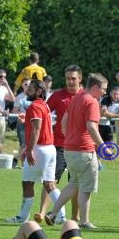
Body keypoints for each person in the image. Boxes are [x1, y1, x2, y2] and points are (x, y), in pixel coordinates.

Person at [44, 73, 109, 229]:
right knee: (86, 188)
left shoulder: (76, 98)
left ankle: (53, 213)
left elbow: (64, 122)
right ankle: (84, 221)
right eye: (103, 90)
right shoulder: (92, 102)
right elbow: (92, 127)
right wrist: (102, 146)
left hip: (69, 149)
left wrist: (70, 137)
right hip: (84, 150)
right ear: (95, 87)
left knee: (73, 184)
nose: (104, 93)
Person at [6, 80, 65, 224]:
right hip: (50, 149)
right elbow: (41, 125)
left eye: (31, 89)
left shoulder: (35, 105)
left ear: (39, 91)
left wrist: (30, 149)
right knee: (49, 185)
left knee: (27, 183)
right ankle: (61, 216)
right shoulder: (44, 105)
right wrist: (26, 119)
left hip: (40, 149)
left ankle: (22, 217)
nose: (27, 91)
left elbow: (37, 129)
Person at [36, 65, 83, 223]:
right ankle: (42, 213)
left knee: (76, 183)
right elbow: (44, 112)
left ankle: (74, 217)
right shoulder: (57, 96)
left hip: (79, 148)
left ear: (80, 79)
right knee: (50, 180)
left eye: (73, 78)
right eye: (68, 78)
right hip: (59, 145)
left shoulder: (85, 97)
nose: (70, 81)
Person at [11, 78, 32, 169]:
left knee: (32, 144)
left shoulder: (34, 96)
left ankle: (15, 159)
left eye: (29, 84)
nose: (27, 86)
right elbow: (15, 111)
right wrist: (22, 115)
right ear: (22, 85)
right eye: (25, 84)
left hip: (33, 124)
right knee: (23, 144)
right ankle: (24, 164)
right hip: (22, 124)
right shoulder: (19, 97)